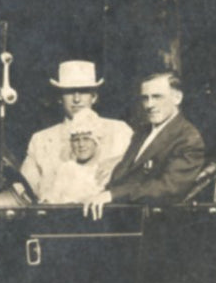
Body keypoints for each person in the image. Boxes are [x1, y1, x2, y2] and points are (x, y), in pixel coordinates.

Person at [83, 72, 206, 219]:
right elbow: (124, 174)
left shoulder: (187, 138)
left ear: (177, 98)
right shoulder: (143, 132)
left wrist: (113, 195)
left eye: (157, 97)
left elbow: (168, 187)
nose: (149, 105)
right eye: (145, 98)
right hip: (124, 217)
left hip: (157, 225)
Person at [21, 60, 132, 197]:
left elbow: (141, 169)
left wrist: (119, 161)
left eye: (84, 91)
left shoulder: (119, 131)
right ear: (60, 98)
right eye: (69, 92)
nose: (77, 99)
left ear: (94, 97)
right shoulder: (41, 140)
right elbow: (24, 188)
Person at [36, 109, 117, 203]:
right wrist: (47, 200)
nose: (81, 144)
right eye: (76, 140)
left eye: (86, 139)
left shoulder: (104, 171)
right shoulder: (67, 169)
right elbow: (54, 195)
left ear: (96, 141)